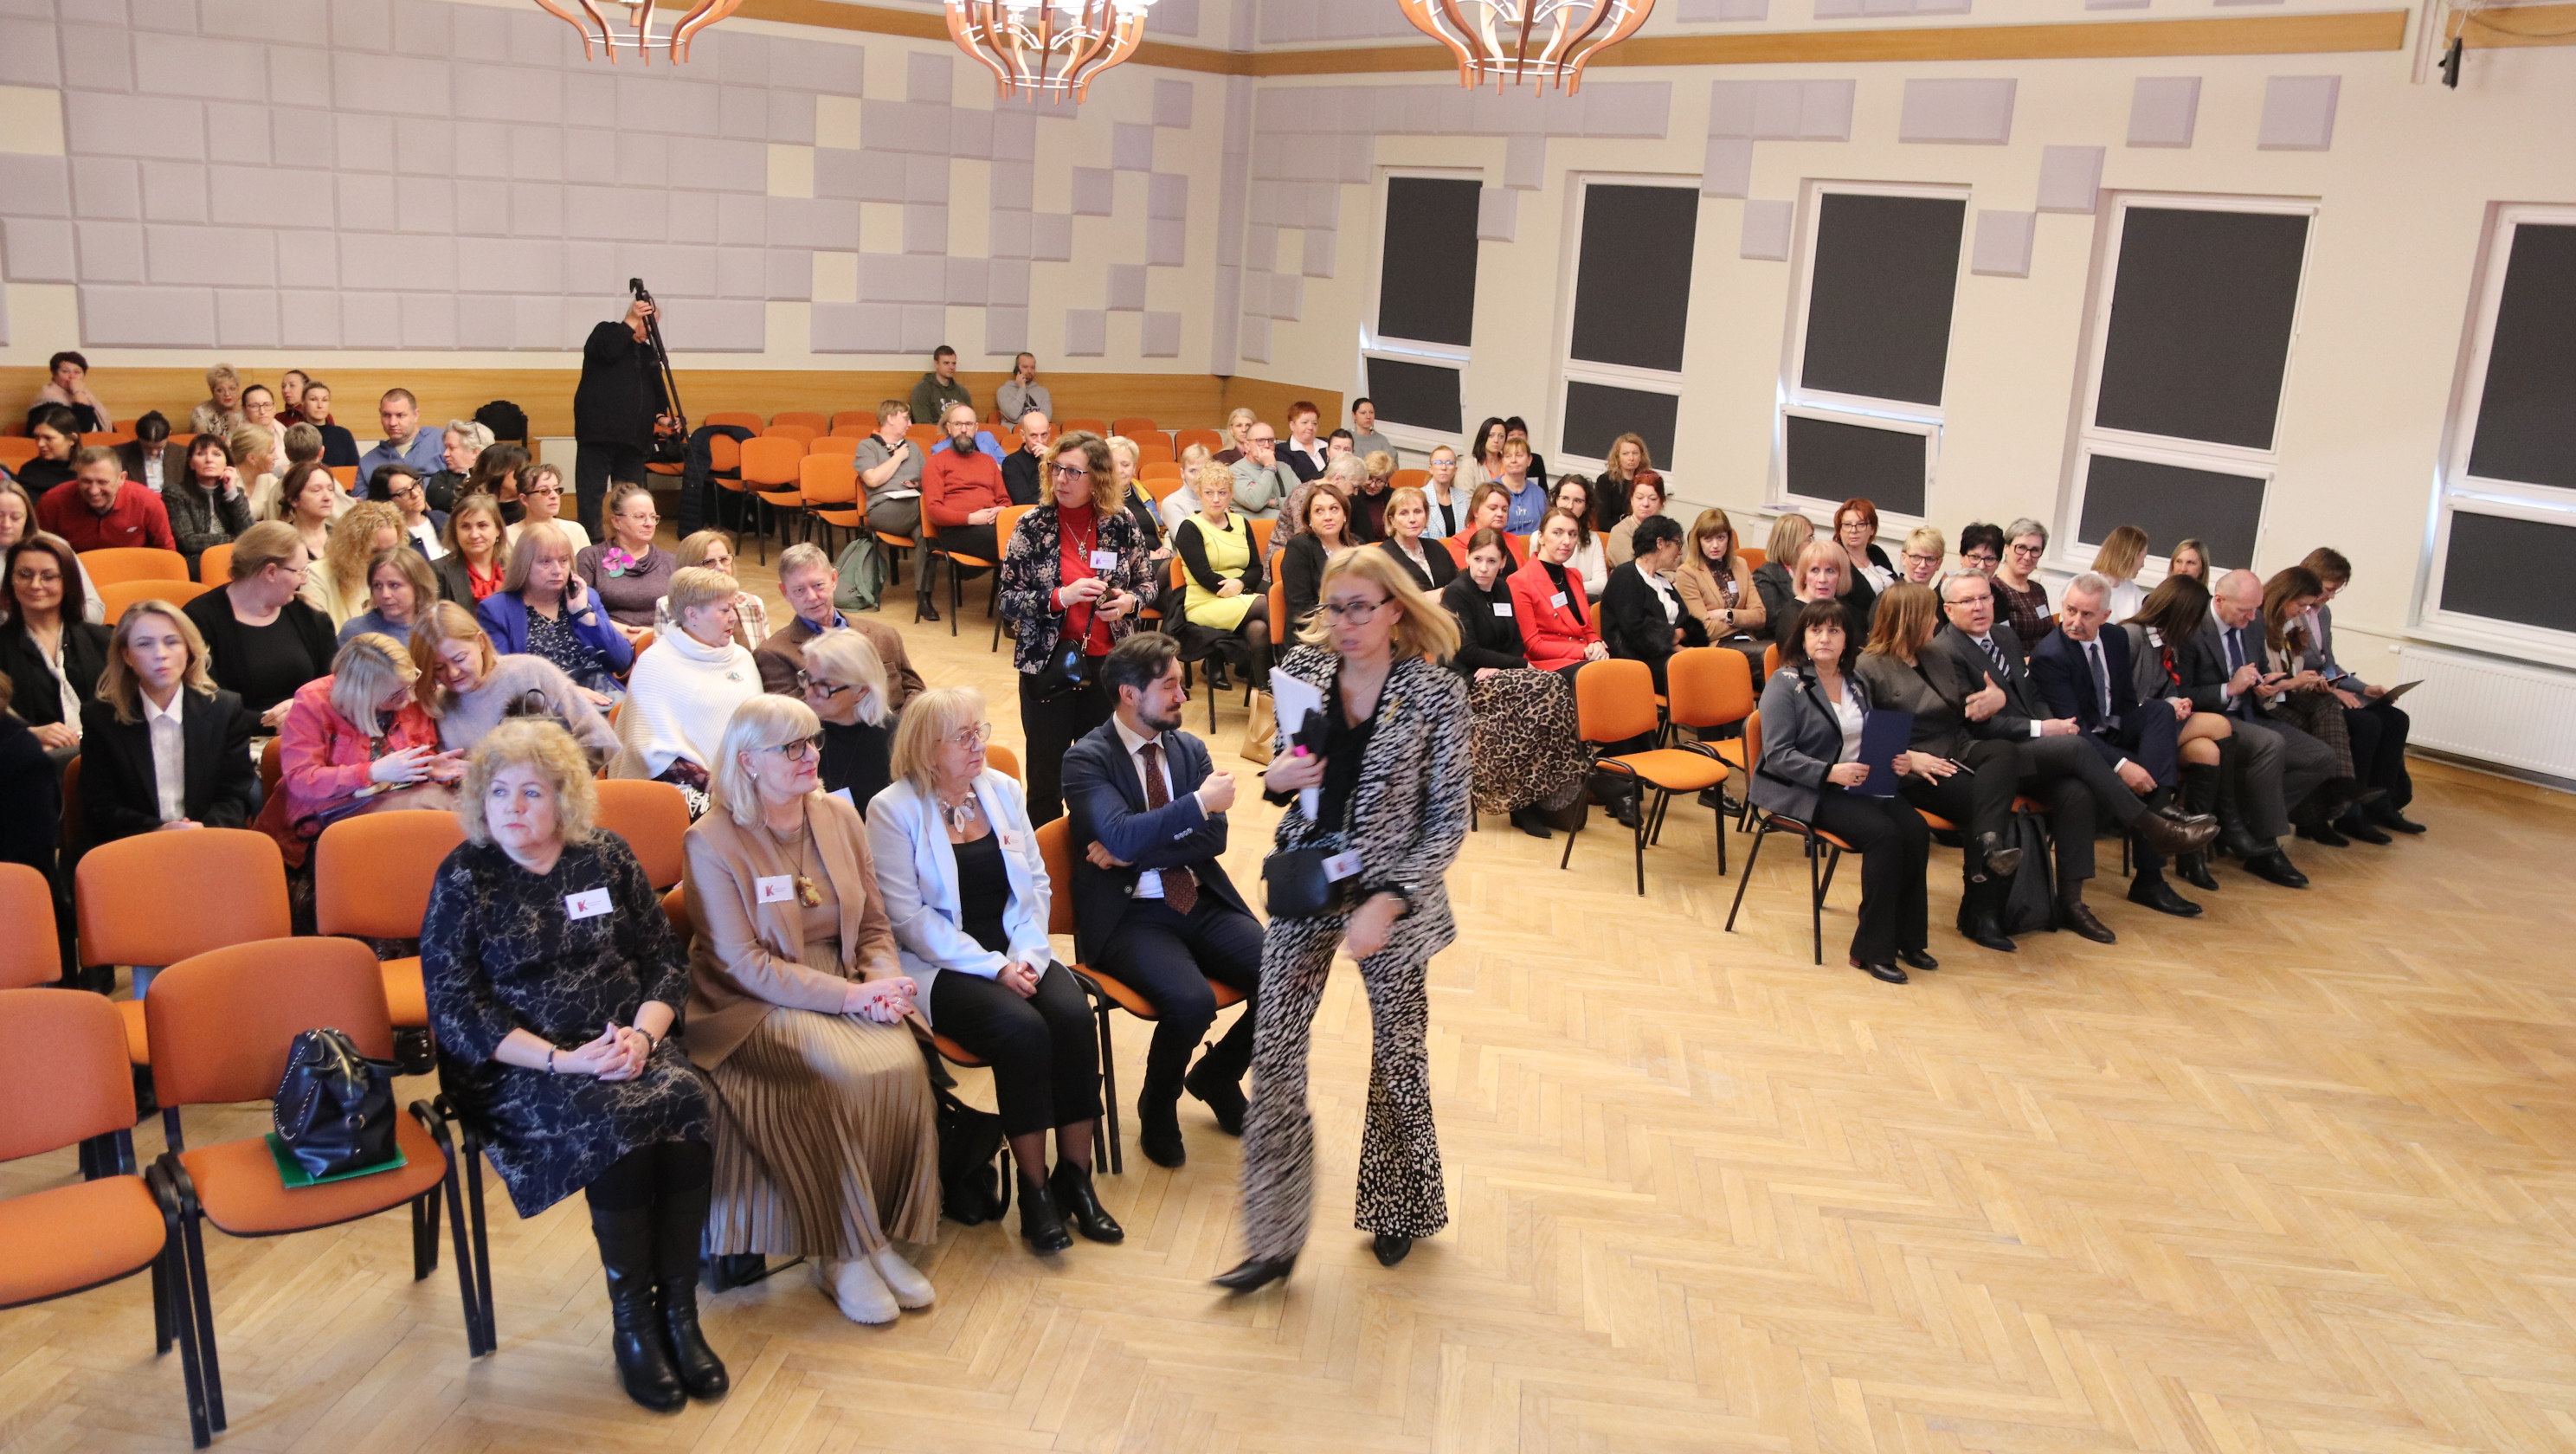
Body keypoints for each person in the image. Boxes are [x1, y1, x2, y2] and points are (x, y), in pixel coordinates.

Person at [421, 719, 726, 1413]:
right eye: (499, 791)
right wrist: (563, 1061)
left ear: (564, 799)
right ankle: (634, 1325)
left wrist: (643, 1038)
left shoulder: (606, 856)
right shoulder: (467, 875)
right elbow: (455, 1008)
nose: (513, 806)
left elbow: (663, 959)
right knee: (616, 1123)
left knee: (683, 1101)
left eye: (532, 792)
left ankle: (679, 1313)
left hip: (622, 1040)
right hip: (522, 1063)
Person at [1217, 547, 1471, 1290]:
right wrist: (1277, 776)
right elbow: (1289, 770)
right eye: (1335, 608)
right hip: (1309, 880)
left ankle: (1399, 1206)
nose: (1346, 623)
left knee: (1398, 1055)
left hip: (1394, 894)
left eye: (1361, 607)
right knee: (1275, 1052)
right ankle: (1273, 1241)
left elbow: (1448, 821)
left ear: (1395, 608)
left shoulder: (1435, 694)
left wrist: (1388, 900)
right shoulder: (1306, 672)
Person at [683, 695, 939, 1325]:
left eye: (814, 742)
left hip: (846, 976)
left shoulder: (838, 816)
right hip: (750, 1000)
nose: (811, 757)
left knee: (904, 1065)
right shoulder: (710, 840)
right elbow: (742, 964)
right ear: (748, 761)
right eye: (792, 747)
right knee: (840, 1073)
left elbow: (873, 923)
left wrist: (884, 979)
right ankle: (844, 1254)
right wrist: (853, 998)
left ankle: (874, 1238)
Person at [867, 685, 1117, 1253]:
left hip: (1018, 948)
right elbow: (909, 920)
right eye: (963, 737)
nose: (978, 745)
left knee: (1073, 1018)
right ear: (926, 750)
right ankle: (1034, 1192)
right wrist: (993, 968)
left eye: (979, 731)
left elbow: (1036, 883)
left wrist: (1026, 955)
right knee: (1022, 1031)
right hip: (944, 965)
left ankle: (1076, 1180)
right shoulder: (891, 810)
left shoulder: (1001, 790)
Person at [1061, 634, 1264, 1167]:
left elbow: (1212, 839)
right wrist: (1196, 804)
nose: (1182, 694)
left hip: (1197, 898)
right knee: (1191, 1002)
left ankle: (1218, 1075)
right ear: (1130, 694)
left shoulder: (1188, 748)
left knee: (1292, 975)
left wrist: (1132, 850)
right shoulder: (1086, 759)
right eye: (1170, 685)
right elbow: (1131, 832)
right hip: (1131, 918)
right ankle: (1158, 1105)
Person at [1931, 569, 2216, 945]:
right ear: (1949, 609)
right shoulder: (1945, 651)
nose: (1979, 606)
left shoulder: (2004, 635)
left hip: (2034, 746)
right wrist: (2042, 729)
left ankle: (2071, 902)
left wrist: (2050, 724)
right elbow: (1976, 725)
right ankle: (2152, 825)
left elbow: (2032, 695)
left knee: (2076, 793)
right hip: (1991, 757)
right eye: (1967, 601)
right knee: (2078, 746)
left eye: (1984, 597)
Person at [1748, 600, 1934, 984]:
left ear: (1847, 639)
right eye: (1816, 630)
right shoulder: (1785, 684)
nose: (1824, 638)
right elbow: (1778, 756)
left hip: (1859, 781)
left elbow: (1867, 738)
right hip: (1809, 787)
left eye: (1834, 630)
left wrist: (1897, 759)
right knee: (1884, 836)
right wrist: (1830, 773)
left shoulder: (1856, 681)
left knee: (1915, 829)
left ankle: (1908, 937)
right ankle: (1872, 949)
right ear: (1802, 637)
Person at [1852, 584, 2029, 942]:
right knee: (1991, 809)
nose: (1936, 621)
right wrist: (1910, 757)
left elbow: (1960, 707)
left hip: (1954, 745)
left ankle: (1987, 847)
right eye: (1930, 615)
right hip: (1911, 766)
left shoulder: (1934, 654)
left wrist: (1991, 700)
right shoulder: (1867, 668)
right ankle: (1981, 913)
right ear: (1909, 620)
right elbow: (1863, 736)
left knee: (2005, 753)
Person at [998, 433, 1155, 827]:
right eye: (1055, 469)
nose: (1060, 479)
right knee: (1045, 777)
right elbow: (1008, 600)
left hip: (1108, 669)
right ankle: (1044, 853)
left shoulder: (1121, 523)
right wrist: (1060, 597)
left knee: (1098, 775)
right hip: (1048, 665)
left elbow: (1148, 584)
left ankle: (1092, 848)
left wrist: (1129, 602)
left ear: (1098, 478)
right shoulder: (1032, 526)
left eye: (1072, 472)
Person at [2028, 572, 2204, 918]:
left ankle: (2159, 809)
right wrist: (2123, 766)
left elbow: (2125, 703)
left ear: (2105, 616)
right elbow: (2075, 732)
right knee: (2143, 764)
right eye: (2070, 610)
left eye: (2086, 614)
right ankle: (2152, 870)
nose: (2075, 621)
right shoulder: (2052, 655)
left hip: (2113, 726)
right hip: (2080, 743)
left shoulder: (2115, 637)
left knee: (2159, 711)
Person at [2172, 569, 2334, 888]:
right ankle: (2266, 847)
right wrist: (2228, 688)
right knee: (2270, 743)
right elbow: (2180, 694)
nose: (2251, 617)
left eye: (2255, 609)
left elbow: (2258, 669)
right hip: (2211, 720)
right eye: (2244, 610)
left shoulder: (2254, 622)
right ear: (2219, 600)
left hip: (2250, 712)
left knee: (2322, 757)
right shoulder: (2191, 628)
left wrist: (2265, 682)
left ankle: (2241, 816)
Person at [252, 632, 462, 868]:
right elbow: (302, 779)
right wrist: (371, 772)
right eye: (396, 694)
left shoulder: (406, 691)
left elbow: (414, 756)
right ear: (364, 694)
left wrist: (428, 767)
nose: (411, 697)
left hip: (397, 811)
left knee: (449, 807)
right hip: (326, 821)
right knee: (434, 806)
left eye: (411, 683)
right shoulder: (313, 703)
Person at [1439, 527, 1588, 838]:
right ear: (1467, 557)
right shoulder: (1457, 592)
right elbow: (1467, 650)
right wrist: (1513, 665)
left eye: (1491, 561)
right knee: (1544, 689)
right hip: (1465, 677)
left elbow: (1516, 642)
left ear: (1503, 562)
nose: (1483, 568)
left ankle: (1542, 793)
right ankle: (1525, 804)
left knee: (1552, 689)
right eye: (1477, 559)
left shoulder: (1503, 589)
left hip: (1496, 674)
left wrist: (1501, 666)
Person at [78, 602, 258, 846]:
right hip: (134, 846)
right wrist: (158, 831)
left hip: (209, 842)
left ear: (188, 649)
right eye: (145, 644)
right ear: (127, 655)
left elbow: (236, 794)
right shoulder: (101, 718)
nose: (161, 654)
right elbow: (100, 806)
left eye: (172, 642)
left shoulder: (224, 709)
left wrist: (203, 829)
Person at [2114, 573, 2239, 892]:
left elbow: (2166, 691)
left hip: (2155, 727)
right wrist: (2163, 708)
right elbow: (2116, 700)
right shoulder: (2131, 635)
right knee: (2220, 725)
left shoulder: (2170, 642)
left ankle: (2191, 850)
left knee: (2208, 752)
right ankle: (2225, 819)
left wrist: (2175, 704)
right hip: (2124, 729)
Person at [2296, 547, 2420, 838]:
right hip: (2305, 694)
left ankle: (2380, 803)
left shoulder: (2323, 614)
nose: (2331, 596)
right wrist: (2332, 693)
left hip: (2325, 688)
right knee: (2367, 723)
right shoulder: (2291, 614)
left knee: (2396, 718)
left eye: (2336, 590)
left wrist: (2364, 688)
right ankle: (2349, 812)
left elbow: (2329, 665)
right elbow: (2293, 670)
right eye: (2329, 589)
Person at [615, 566, 761, 808]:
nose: (734, 617)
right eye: (724, 609)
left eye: (733, 608)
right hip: (684, 792)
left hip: (751, 780)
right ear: (692, 614)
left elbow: (761, 727)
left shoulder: (742, 657)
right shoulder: (655, 663)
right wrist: (721, 788)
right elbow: (650, 752)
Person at [411, 601, 619, 760]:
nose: (453, 673)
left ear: (480, 642)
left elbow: (601, 741)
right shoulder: (439, 706)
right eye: (438, 668)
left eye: (460, 659)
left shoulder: (530, 672)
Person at [184, 522, 338, 730]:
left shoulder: (310, 615)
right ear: (271, 572)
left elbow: (334, 685)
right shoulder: (200, 618)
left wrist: (304, 710)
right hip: (237, 735)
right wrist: (269, 723)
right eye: (299, 572)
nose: (303, 581)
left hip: (310, 728)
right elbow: (203, 699)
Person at [2256, 564, 2366, 839]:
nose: (2305, 611)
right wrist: (2295, 682)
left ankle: (2334, 791)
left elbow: (2299, 668)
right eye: (2301, 605)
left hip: (2287, 695)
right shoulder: (2257, 623)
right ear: (2285, 596)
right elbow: (2261, 684)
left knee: (2327, 703)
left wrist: (2312, 683)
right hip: (2265, 704)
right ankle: (2324, 804)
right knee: (2316, 731)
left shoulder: (2294, 623)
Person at [753, 543, 924, 709]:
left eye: (818, 585)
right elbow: (798, 718)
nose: (812, 597)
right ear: (785, 592)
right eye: (799, 590)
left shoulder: (885, 635)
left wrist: (906, 726)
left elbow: (915, 692)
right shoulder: (774, 655)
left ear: (834, 579)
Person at [480, 520, 635, 702]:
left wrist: (585, 615)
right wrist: (563, 691)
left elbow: (622, 662)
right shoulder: (496, 610)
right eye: (545, 562)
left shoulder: (586, 598)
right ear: (524, 565)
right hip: (543, 703)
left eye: (563, 560)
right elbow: (503, 679)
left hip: (603, 694)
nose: (557, 570)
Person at [1, 534, 109, 759]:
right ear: (11, 581)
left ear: (68, 582)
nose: (35, 585)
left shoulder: (104, 639)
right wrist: (30, 733)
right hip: (29, 760)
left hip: (103, 755)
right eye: (24, 575)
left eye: (48, 577)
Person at [576, 297, 673, 537]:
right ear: (634, 317)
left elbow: (657, 390)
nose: (649, 330)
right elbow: (607, 352)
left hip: (635, 438)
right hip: (599, 433)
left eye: (653, 325)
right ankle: (591, 543)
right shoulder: (605, 332)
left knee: (631, 496)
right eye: (645, 323)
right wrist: (631, 318)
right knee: (591, 493)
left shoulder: (648, 352)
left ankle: (628, 539)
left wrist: (661, 417)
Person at [1172, 466, 1269, 685]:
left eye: (1222, 492)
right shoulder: (1190, 528)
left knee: (1259, 629)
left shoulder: (1241, 523)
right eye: (1209, 492)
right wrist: (1240, 590)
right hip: (1205, 602)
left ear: (1231, 494)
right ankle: (1294, 673)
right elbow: (1204, 576)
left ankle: (1264, 690)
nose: (1216, 499)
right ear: (1199, 493)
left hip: (1241, 596)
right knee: (1269, 604)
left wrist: (1241, 584)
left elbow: (1256, 568)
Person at [924, 407, 1014, 621]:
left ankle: (1028, 609)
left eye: (968, 424)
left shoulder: (988, 462)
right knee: (1013, 546)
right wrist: (971, 518)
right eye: (958, 424)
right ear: (949, 428)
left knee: (1029, 541)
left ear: (976, 428)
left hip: (990, 526)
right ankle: (1012, 616)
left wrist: (1001, 510)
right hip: (957, 531)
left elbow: (1005, 501)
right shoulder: (936, 462)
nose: (964, 429)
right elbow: (933, 510)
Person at [1599, 515, 1705, 693]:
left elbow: (1686, 621)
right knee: (1700, 673)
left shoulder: (1662, 580)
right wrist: (1675, 639)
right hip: (1638, 660)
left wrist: (1680, 637)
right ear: (1660, 543)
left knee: (1714, 666)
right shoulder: (1625, 575)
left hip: (1669, 655)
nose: (1680, 552)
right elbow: (1635, 632)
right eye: (1678, 544)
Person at [797, 628, 895, 810]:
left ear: (861, 690)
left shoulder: (896, 741)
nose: (809, 692)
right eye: (808, 678)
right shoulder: (796, 733)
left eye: (824, 686)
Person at [851, 401, 929, 610]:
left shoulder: (914, 447)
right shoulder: (867, 446)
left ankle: (924, 597)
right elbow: (872, 479)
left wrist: (918, 484)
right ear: (891, 418)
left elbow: (928, 480)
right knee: (932, 509)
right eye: (906, 418)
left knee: (926, 534)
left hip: (913, 507)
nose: (910, 424)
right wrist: (898, 457)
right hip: (883, 509)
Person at [1510, 509, 1607, 676]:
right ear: (1541, 537)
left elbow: (1587, 629)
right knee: (1600, 675)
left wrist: (1597, 643)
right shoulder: (1520, 581)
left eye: (1573, 534)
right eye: (1557, 533)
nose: (1566, 541)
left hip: (1582, 659)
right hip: (1547, 665)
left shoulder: (1574, 576)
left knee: (1626, 671)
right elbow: (1534, 646)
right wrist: (1584, 651)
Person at [1675, 507, 1765, 680]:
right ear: (1698, 541)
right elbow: (1704, 630)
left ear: (1729, 539)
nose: (1715, 545)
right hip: (1716, 646)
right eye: (1708, 539)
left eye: (1720, 538)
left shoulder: (1740, 565)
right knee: (1770, 656)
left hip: (1746, 639)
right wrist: (1742, 620)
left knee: (1783, 653)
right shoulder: (1687, 573)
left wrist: (1727, 615)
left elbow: (1760, 616)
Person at [577, 483, 675, 635]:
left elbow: (685, 615)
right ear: (616, 521)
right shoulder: (591, 557)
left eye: (653, 517)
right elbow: (580, 610)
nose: (649, 524)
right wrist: (625, 633)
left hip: (661, 640)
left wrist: (651, 635)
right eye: (640, 517)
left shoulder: (671, 561)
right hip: (607, 638)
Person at [36, 447, 176, 554]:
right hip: (76, 573)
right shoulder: (52, 502)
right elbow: (39, 549)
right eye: (86, 481)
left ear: (121, 479)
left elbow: (166, 551)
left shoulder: (147, 502)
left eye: (102, 482)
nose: (93, 491)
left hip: (133, 572)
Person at [655, 530, 766, 653]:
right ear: (689, 569)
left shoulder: (753, 603)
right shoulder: (667, 606)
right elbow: (662, 657)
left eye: (724, 560)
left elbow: (764, 657)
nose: (720, 568)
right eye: (708, 562)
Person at [164, 434, 254, 576]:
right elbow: (187, 541)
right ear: (191, 463)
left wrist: (231, 493)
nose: (209, 460)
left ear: (227, 463)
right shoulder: (175, 493)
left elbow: (249, 534)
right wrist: (235, 539)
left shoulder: (235, 493)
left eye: (216, 454)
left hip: (236, 558)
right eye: (201, 454)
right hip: (198, 562)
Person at [306, 501, 403, 629]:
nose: (385, 559)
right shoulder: (316, 576)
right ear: (352, 547)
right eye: (375, 552)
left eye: (392, 550)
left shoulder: (401, 577)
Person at [1277, 479, 1357, 631]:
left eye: (1334, 509)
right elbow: (1301, 609)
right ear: (1309, 519)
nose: (1328, 517)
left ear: (1345, 515)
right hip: (1315, 632)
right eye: (1319, 511)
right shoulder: (1299, 547)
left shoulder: (1357, 545)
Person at [337, 546, 438, 645]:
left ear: (418, 586)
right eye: (377, 585)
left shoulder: (436, 631)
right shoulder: (354, 632)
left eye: (394, 585)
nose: (385, 594)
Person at [357, 389, 446, 499]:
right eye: (386, 415)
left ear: (415, 415)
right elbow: (364, 506)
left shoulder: (443, 442)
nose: (392, 423)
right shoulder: (367, 463)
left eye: (400, 415)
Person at [1103, 435, 1171, 566]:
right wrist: (1144, 555)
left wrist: (1166, 548)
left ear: (1134, 468)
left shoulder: (1144, 494)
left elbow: (1161, 529)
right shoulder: (1095, 499)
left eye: (1125, 465)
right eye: (1112, 465)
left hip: (1157, 558)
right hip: (1119, 564)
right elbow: (1100, 555)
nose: (1119, 470)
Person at [1375, 485, 1456, 595]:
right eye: (1404, 513)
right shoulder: (1382, 557)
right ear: (1392, 520)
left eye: (1417, 512)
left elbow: (1457, 585)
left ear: (1426, 516)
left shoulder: (1436, 547)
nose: (1412, 519)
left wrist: (1442, 594)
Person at [433, 493, 510, 605]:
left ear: (498, 529)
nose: (474, 535)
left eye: (482, 526)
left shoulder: (514, 567)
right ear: (455, 532)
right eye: (465, 527)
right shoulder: (438, 572)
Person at [1991, 518, 2053, 653]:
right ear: (2006, 548)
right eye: (2021, 548)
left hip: (2045, 659)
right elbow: (1998, 643)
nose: (2027, 557)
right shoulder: (1993, 590)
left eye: (2035, 550)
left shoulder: (2038, 590)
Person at [1542, 476, 1607, 598]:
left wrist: (1567, 588)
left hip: (1585, 600)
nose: (1570, 506)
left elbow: (1601, 583)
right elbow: (1538, 582)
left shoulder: (1593, 539)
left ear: (1586, 506)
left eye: (1578, 501)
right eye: (1565, 498)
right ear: (1556, 500)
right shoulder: (1540, 537)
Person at [506, 462, 590, 553]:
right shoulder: (507, 536)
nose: (554, 496)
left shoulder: (575, 530)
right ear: (524, 499)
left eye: (556, 489)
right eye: (544, 491)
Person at [1750, 514, 1812, 638]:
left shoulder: (1810, 570)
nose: (1813, 543)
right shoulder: (1765, 575)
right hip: (1779, 640)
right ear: (1793, 543)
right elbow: (1774, 621)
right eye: (1809, 539)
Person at [274, 459, 343, 567]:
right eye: (316, 490)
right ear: (293, 499)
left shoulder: (342, 540)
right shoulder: (281, 543)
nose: (327, 497)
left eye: (330, 490)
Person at [375, 461, 449, 561]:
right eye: (403, 492)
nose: (416, 494)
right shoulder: (392, 537)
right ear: (387, 501)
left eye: (415, 485)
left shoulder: (442, 517)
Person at [1442, 482, 1526, 570]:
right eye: (1493, 508)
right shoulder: (1460, 542)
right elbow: (1466, 576)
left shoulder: (1513, 540)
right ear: (1476, 511)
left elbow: (1525, 575)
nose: (1500, 514)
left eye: (1504, 510)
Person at [1227, 421, 1297, 518]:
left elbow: (1303, 501)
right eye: (1260, 440)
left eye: (1271, 440)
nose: (1267, 445)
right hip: (1256, 527)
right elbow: (1256, 503)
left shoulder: (1285, 468)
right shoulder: (1233, 472)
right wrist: (1269, 467)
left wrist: (1274, 502)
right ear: (1247, 445)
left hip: (1290, 526)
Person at [1594, 434, 1659, 534]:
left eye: (1635, 453)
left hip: (1643, 534)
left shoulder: (1647, 481)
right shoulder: (1605, 481)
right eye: (1625, 454)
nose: (1631, 458)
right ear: (1617, 457)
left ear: (1641, 456)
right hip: (1614, 534)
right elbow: (1603, 522)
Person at [1602, 471, 1669, 569]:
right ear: (1632, 500)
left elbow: (1687, 565)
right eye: (1640, 498)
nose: (1645, 504)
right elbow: (1637, 571)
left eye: (1652, 499)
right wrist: (1672, 575)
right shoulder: (1620, 532)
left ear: (1661, 502)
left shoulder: (1671, 530)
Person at [35, 351, 110, 434]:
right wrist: (78, 392)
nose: (72, 377)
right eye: (65, 371)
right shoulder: (49, 400)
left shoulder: (87, 396)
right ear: (54, 375)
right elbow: (83, 428)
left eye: (77, 372)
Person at [15, 405, 82, 497]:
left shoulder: (88, 470)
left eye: (48, 438)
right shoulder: (29, 471)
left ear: (72, 439)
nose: (40, 444)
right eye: (37, 437)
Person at [428, 419, 493, 512]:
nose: (445, 454)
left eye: (452, 448)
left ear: (475, 452)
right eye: (446, 448)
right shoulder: (442, 477)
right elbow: (435, 497)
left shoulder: (494, 477)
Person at [293, 381, 362, 467]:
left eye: (325, 400)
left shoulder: (343, 435)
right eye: (313, 399)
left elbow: (354, 469)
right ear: (303, 402)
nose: (320, 405)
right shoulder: (296, 433)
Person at [1834, 499, 1897, 593]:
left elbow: (1896, 584)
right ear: (1839, 530)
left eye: (1861, 524)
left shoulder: (1876, 552)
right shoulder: (1835, 558)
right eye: (1847, 525)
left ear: (1872, 529)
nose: (1853, 530)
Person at [908, 344, 972, 428]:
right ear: (936, 364)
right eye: (946, 363)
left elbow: (970, 420)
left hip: (960, 433)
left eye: (954, 363)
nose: (951, 367)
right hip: (934, 434)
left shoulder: (962, 392)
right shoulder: (921, 391)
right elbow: (924, 425)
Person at [1494, 439, 1548, 536]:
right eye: (1508, 456)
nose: (1513, 460)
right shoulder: (1491, 491)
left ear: (1529, 460)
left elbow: (1545, 527)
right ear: (1502, 460)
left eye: (1519, 455)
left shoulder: (1539, 493)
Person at [114, 412, 177, 495]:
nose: (154, 452)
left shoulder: (183, 454)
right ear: (138, 437)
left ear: (169, 435)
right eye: (147, 447)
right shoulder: (117, 454)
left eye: (159, 447)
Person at [1001, 409, 1052, 508]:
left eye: (1044, 435)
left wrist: (1050, 460)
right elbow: (1024, 502)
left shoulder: (1059, 459)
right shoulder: (1012, 463)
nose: (1040, 441)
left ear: (1049, 433)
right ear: (1023, 435)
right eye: (1034, 435)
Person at [1420, 446, 1466, 539]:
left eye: (1449, 463)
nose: (1444, 467)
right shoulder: (1420, 497)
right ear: (1431, 469)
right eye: (1438, 463)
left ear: (1455, 470)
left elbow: (1466, 532)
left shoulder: (1462, 496)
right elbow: (1420, 536)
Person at [188, 364, 246, 439]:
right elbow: (203, 442)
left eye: (232, 389)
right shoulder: (201, 413)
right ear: (213, 392)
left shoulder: (248, 408)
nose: (227, 394)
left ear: (238, 389)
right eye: (220, 390)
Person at [239, 385, 288, 469]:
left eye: (267, 405)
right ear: (244, 409)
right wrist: (281, 471)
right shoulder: (239, 439)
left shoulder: (284, 432)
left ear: (274, 407)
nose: (262, 411)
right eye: (254, 406)